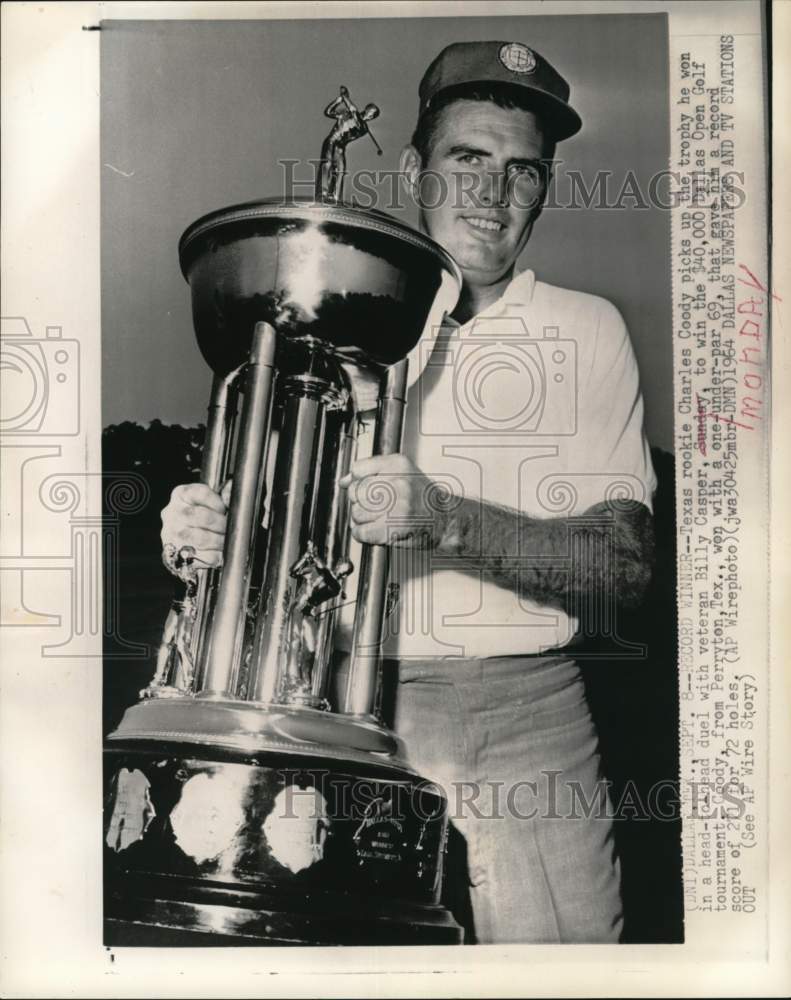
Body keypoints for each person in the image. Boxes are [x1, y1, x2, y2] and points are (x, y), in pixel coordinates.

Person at [160, 40, 657, 944]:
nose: (493, 193)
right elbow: (265, 519)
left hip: (528, 712)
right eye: (467, 159)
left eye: (523, 171)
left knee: (568, 969)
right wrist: (206, 530)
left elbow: (623, 571)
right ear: (411, 169)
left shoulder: (588, 330)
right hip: (332, 700)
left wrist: (444, 520)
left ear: (544, 190)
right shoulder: (332, 316)